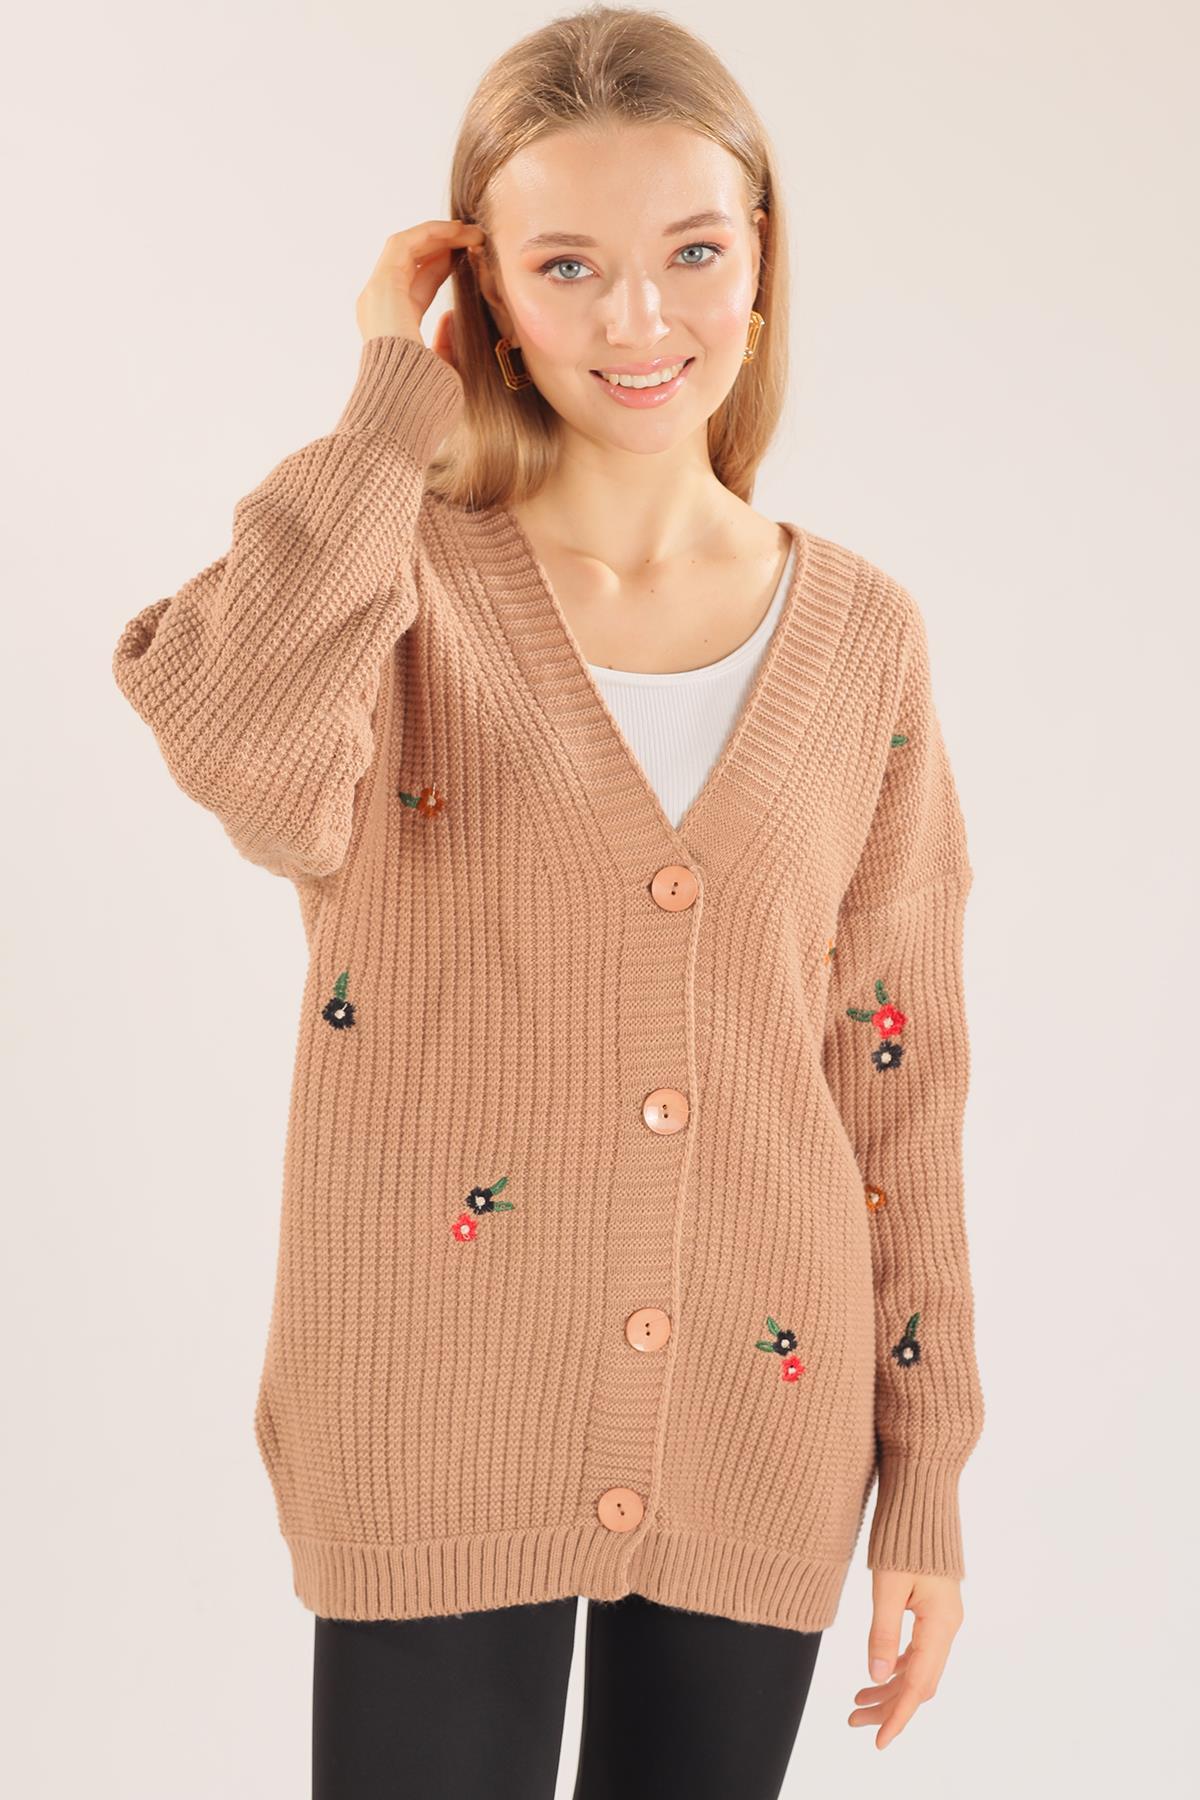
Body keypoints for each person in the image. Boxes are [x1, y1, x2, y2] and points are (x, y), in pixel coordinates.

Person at [111, 7, 984, 1794]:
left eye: (693, 252)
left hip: (760, 1395)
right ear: (485, 293)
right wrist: (387, 404)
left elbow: (897, 1078)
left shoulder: (864, 639)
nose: (639, 318)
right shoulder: (399, 586)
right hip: (429, 1394)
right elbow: (235, 743)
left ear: (762, 264)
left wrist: (929, 1478)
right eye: (567, 264)